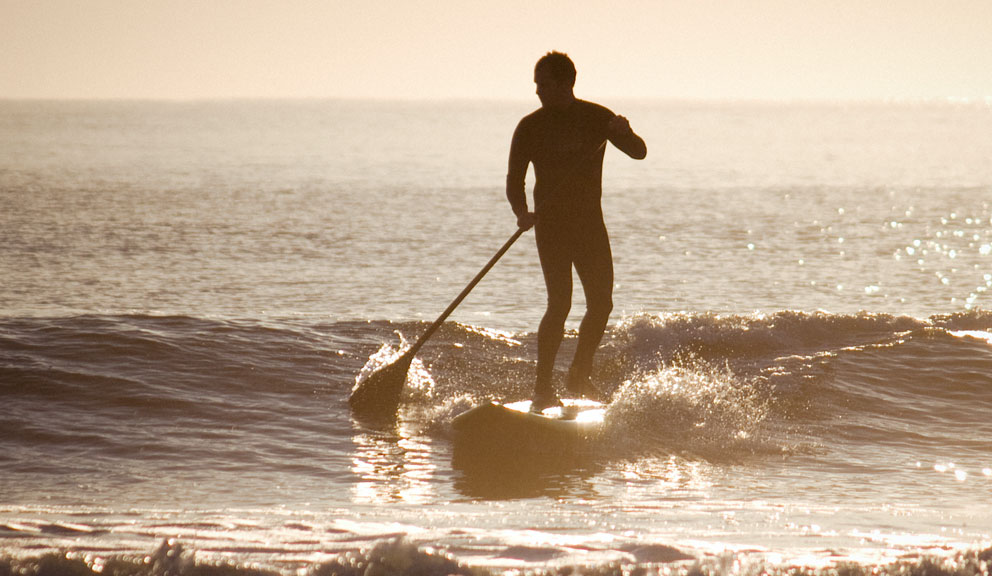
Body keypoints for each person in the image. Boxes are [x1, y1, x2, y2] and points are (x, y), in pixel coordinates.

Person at [506, 51, 647, 412]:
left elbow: (639, 152)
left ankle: (579, 375)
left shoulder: (596, 118)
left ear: (566, 83)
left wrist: (624, 132)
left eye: (544, 84)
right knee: (560, 303)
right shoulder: (529, 126)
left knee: (602, 303)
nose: (537, 90)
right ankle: (543, 389)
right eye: (536, 84)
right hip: (551, 228)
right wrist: (522, 213)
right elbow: (514, 182)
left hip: (589, 226)